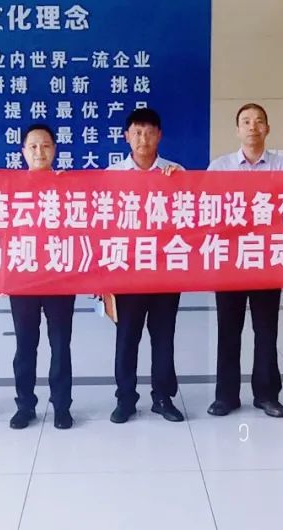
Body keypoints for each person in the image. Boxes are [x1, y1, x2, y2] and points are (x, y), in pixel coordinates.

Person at [206, 102, 283, 418]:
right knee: (228, 331)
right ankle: (226, 396)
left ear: (267, 128)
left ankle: (267, 395)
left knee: (266, 331)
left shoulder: (282, 167)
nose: (252, 127)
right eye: (246, 121)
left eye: (258, 121)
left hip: (267, 260)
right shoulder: (220, 167)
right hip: (230, 261)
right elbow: (208, 210)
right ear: (237, 130)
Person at [106, 108, 185, 424]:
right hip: (128, 271)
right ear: (126, 136)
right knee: (127, 337)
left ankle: (163, 397)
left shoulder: (175, 172)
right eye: (137, 132)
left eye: (150, 132)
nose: (143, 139)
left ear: (159, 136)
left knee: (164, 337)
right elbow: (103, 226)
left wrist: (178, 186)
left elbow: (189, 220)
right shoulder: (112, 175)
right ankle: (125, 399)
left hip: (165, 270)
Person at [7, 124, 76, 430]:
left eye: (46, 145)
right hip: (23, 277)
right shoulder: (9, 188)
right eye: (33, 146)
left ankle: (61, 406)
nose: (39, 152)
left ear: (55, 150)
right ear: (23, 152)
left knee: (60, 344)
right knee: (25, 345)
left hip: (60, 277)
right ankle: (25, 405)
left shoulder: (70, 187)